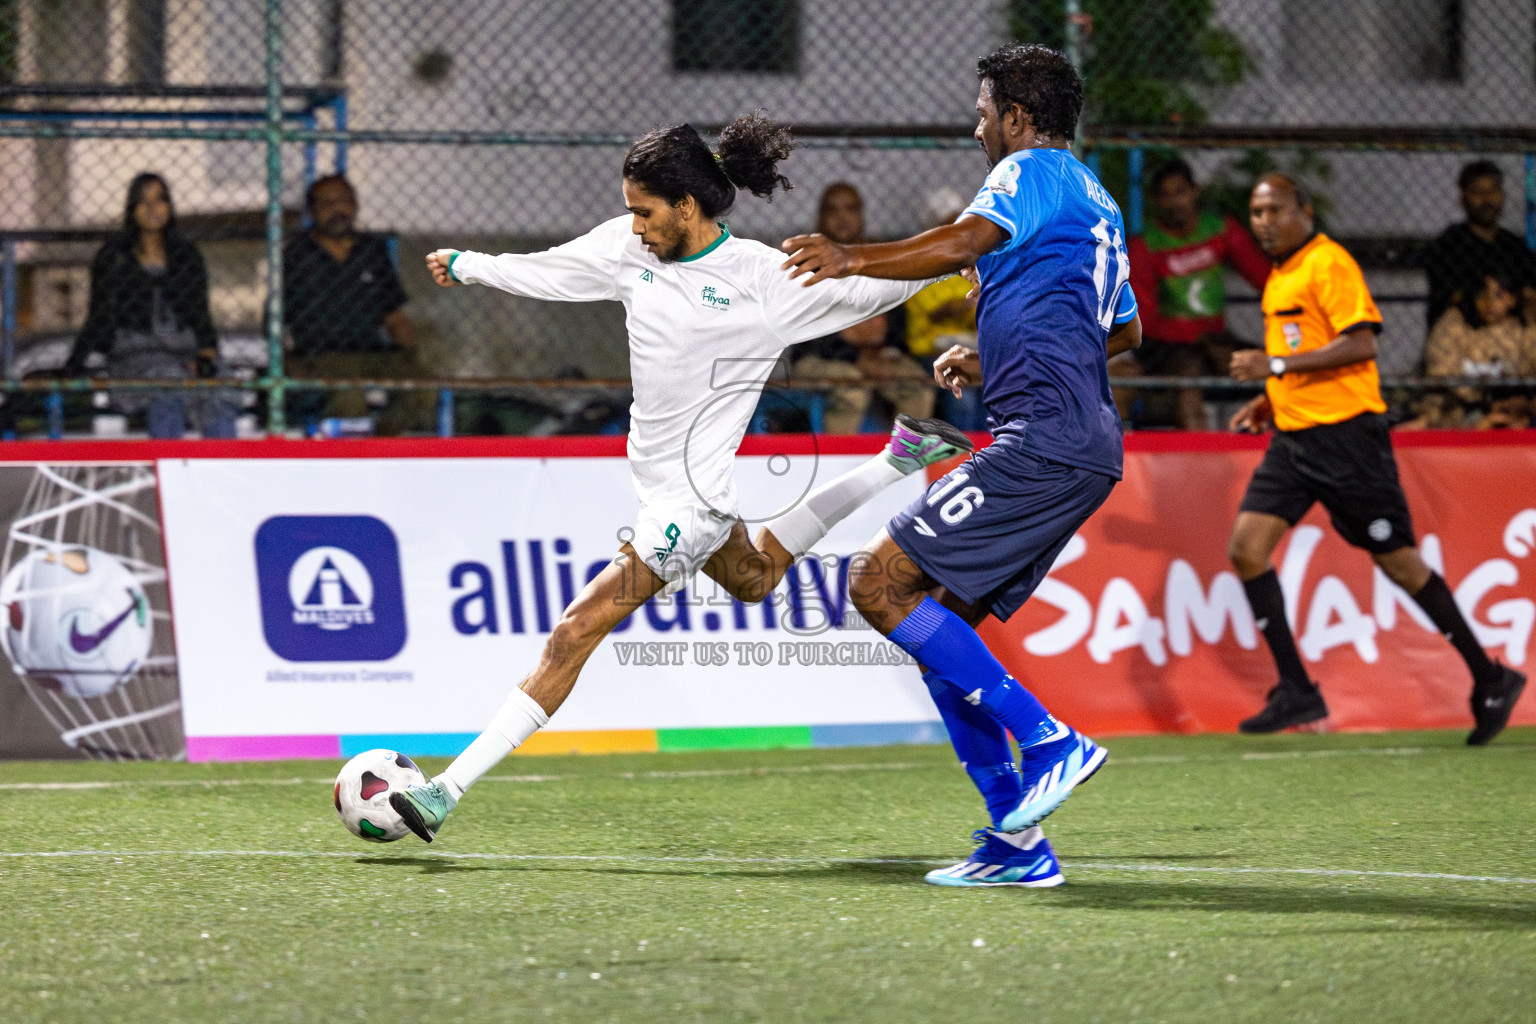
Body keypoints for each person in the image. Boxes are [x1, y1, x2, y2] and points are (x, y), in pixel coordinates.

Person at [388, 114, 974, 842]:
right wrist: (473, 264)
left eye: (645, 211)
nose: (634, 225)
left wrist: (950, 260)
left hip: (689, 507)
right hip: (667, 487)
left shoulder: (765, 279)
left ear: (687, 208)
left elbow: (864, 293)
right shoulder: (626, 246)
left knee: (574, 630)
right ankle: (899, 458)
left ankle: (446, 789)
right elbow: (554, 270)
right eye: (631, 209)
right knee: (756, 578)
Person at [781, 44, 1140, 887]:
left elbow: (964, 240)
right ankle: (1017, 845)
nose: (975, 124)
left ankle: (1051, 738)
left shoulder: (1030, 170)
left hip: (1043, 439)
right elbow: (1122, 332)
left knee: (878, 584)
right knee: (942, 631)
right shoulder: (1097, 198)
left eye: (983, 111)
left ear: (1016, 117)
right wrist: (996, 357)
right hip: (1082, 443)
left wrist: (850, 256)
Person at [1225, 173, 1526, 743]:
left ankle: (1490, 677)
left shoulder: (1328, 262)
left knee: (1400, 564)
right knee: (1246, 548)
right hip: (1295, 439)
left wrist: (1276, 370)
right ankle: (1297, 689)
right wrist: (1271, 398)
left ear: (1304, 211)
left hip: (1346, 441)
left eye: (1274, 210)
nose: (1264, 221)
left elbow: (1361, 343)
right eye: (1256, 213)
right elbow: (1301, 350)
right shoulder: (1283, 274)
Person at [66, 172, 235, 438]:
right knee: (167, 394)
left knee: (218, 391)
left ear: (169, 206)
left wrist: (206, 358)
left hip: (184, 355)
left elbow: (201, 317)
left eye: (160, 200)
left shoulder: (186, 256)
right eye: (143, 202)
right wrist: (72, 367)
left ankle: (222, 468)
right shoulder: (114, 257)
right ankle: (168, 466)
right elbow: (97, 316)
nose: (152, 209)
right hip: (136, 356)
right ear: (132, 209)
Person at [1112, 158, 1271, 430]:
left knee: (1274, 369)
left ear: (1194, 191)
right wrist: (1196, 337)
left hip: (1216, 340)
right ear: (1156, 200)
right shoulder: (1145, 246)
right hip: (1167, 347)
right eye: (1165, 195)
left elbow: (1266, 279)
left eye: (1181, 192)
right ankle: (1202, 464)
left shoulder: (1220, 230)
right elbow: (1145, 321)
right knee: (1188, 381)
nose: (1175, 202)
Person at [787, 183, 936, 432]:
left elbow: (898, 316)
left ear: (862, 215)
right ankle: (835, 467)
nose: (843, 218)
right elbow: (812, 332)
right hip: (818, 358)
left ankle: (903, 464)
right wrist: (857, 358)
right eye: (833, 211)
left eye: (851, 209)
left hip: (877, 356)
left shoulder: (874, 258)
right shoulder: (807, 263)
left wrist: (885, 352)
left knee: (918, 389)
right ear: (821, 218)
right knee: (853, 391)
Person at [282, 174, 418, 433]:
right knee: (348, 398)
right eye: (326, 203)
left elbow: (394, 315)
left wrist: (411, 357)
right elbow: (275, 323)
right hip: (321, 355)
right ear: (312, 211)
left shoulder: (372, 250)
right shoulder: (296, 256)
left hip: (373, 353)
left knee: (423, 391)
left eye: (343, 201)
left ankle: (386, 449)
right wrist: (289, 363)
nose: (337, 210)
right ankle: (348, 458)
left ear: (355, 205)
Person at [1402, 270, 1536, 429]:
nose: (1489, 303)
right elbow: (1441, 371)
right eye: (1483, 295)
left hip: (1507, 402)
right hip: (1459, 405)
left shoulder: (1520, 327)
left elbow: (1525, 366)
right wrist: (1486, 369)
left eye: (1500, 296)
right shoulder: (1453, 322)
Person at [1422, 161, 1536, 331]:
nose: (1487, 199)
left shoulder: (1514, 246)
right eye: (1478, 192)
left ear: (1503, 195)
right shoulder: (1449, 245)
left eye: (1493, 191)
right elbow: (1453, 298)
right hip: (1464, 335)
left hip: (1510, 335)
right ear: (1463, 198)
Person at [905, 188, 984, 430]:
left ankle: (991, 447)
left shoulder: (969, 263)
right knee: (964, 397)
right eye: (949, 226)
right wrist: (965, 306)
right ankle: (962, 448)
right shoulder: (921, 263)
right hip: (927, 348)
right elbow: (938, 313)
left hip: (967, 343)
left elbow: (976, 316)